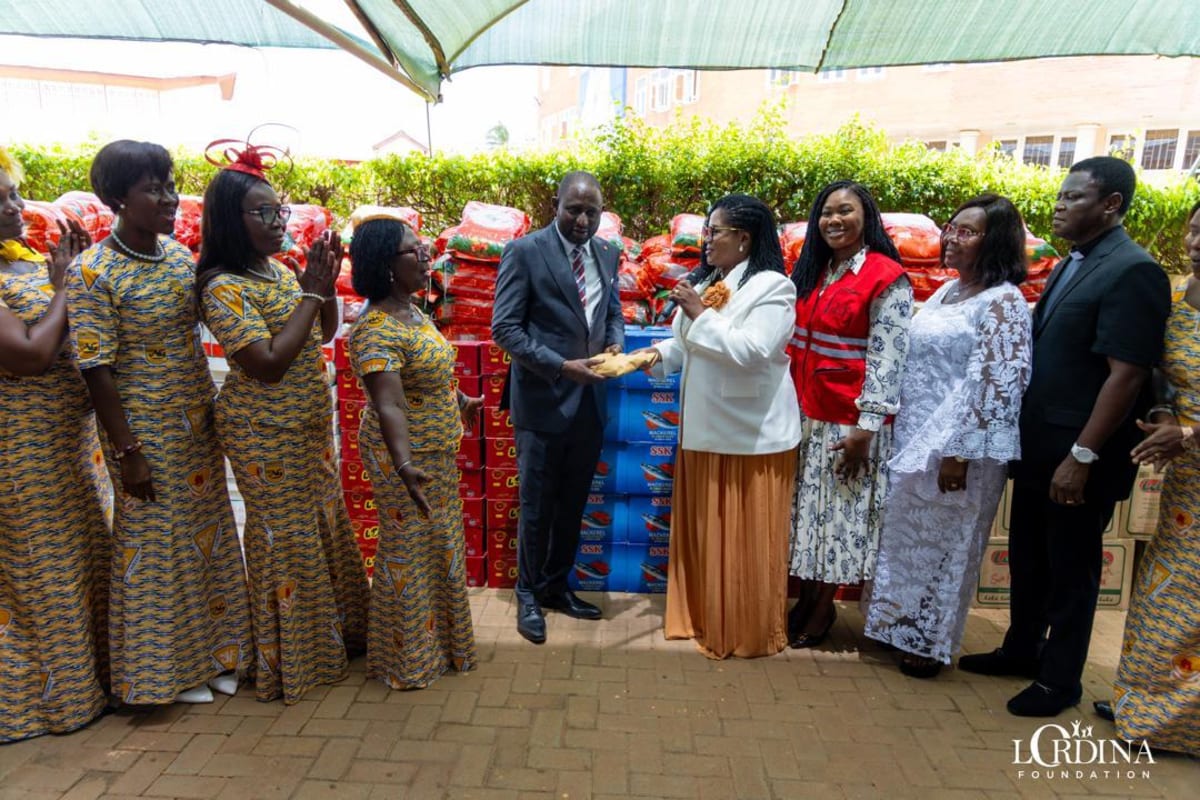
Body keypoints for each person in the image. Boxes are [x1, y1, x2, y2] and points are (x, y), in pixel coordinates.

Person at [959, 157, 1171, 717]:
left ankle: (1059, 681)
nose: (1059, 204)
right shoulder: (1070, 263)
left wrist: (1082, 455)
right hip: (1039, 447)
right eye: (1059, 195)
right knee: (1029, 557)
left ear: (1111, 205)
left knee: (1071, 569)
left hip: (1080, 456)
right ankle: (1021, 649)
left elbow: (1125, 375)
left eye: (1074, 197)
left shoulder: (1134, 271)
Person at [66, 140, 253, 705]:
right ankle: (163, 676)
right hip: (143, 435)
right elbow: (96, 370)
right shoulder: (93, 272)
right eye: (154, 188)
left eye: (171, 185)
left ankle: (220, 655)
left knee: (211, 544)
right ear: (118, 197)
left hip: (197, 428)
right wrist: (128, 453)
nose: (170, 198)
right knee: (155, 553)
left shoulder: (175, 255)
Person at [196, 142, 369, 704]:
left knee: (320, 523)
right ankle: (293, 660)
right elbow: (266, 363)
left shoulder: (276, 270)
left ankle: (336, 637)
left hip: (306, 428)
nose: (277, 223)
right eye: (263, 214)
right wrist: (313, 289)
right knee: (286, 537)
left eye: (280, 212)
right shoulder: (222, 286)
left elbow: (318, 334)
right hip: (261, 432)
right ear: (230, 220)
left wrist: (320, 281)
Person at [864, 194, 1032, 678]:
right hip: (915, 438)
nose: (952, 238)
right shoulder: (946, 292)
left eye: (968, 231)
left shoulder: (1003, 302)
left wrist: (959, 451)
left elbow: (996, 384)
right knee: (909, 541)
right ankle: (901, 626)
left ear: (995, 241)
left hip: (960, 450)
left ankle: (929, 642)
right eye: (952, 228)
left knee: (947, 545)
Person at [632, 194, 800, 659]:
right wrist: (650, 357)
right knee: (709, 534)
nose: (706, 240)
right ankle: (703, 616)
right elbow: (687, 346)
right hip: (705, 429)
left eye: (715, 232)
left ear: (743, 238)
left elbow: (753, 351)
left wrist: (700, 315)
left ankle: (744, 630)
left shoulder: (773, 288)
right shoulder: (714, 282)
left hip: (749, 435)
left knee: (742, 542)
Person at [0, 147, 110, 741]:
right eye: (0, 203)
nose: (17, 208)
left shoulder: (21, 264)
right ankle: (48, 704)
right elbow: (30, 354)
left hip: (70, 446)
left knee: (82, 562)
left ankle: (88, 687)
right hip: (20, 455)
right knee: (43, 577)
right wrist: (66, 286)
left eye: (13, 194)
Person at [348, 217, 481, 689]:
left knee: (438, 545)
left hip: (435, 452)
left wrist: (459, 400)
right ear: (385, 265)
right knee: (407, 548)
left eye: (423, 247)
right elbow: (389, 403)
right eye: (413, 251)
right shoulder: (374, 329)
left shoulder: (413, 311)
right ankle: (405, 660)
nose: (426, 256)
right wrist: (403, 464)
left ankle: (443, 647)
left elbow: (423, 379)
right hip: (402, 459)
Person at [491, 170, 623, 645]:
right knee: (536, 507)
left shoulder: (608, 253)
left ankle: (555, 586)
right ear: (556, 204)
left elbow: (612, 310)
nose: (584, 220)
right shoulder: (525, 252)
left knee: (572, 505)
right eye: (575, 210)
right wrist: (561, 366)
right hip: (543, 401)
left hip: (591, 402)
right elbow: (505, 328)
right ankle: (527, 593)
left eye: (593, 211)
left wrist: (615, 344)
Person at [1092, 199, 1200, 755]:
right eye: (1196, 230)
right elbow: (1162, 373)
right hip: (1186, 479)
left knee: (1190, 594)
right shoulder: (1181, 298)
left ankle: (1176, 720)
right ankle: (1145, 698)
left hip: (1190, 450)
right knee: (1162, 586)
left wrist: (1188, 431)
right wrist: (1163, 418)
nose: (1198, 241)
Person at [787, 180, 913, 649]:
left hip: (848, 424)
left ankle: (822, 610)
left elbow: (889, 356)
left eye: (845, 211)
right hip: (804, 416)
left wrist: (867, 428)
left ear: (867, 218)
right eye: (826, 212)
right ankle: (805, 600)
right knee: (811, 518)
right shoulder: (815, 270)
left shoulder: (886, 276)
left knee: (839, 519)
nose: (834, 220)